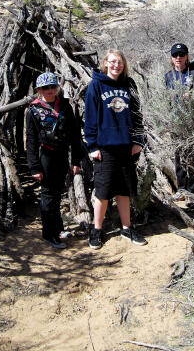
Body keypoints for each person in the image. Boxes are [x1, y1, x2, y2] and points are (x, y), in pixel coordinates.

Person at [84, 49, 148, 250]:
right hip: (105, 147)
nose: (116, 65)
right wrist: (92, 145)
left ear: (124, 64)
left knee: (124, 189)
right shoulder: (96, 85)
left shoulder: (129, 84)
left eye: (119, 62)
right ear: (105, 63)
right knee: (103, 191)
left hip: (126, 146)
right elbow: (90, 117)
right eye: (112, 62)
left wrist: (138, 140)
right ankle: (97, 230)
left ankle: (127, 227)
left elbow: (137, 114)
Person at [26, 72, 81, 249]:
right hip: (46, 157)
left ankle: (57, 229)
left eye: (52, 86)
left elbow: (74, 134)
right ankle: (49, 234)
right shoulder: (33, 110)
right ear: (39, 90)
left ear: (57, 88)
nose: (49, 90)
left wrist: (76, 160)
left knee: (56, 193)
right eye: (45, 88)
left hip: (62, 155)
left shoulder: (64, 105)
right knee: (48, 195)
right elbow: (32, 140)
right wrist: (34, 167)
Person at [165, 42, 194, 196]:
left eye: (181, 54)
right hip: (177, 122)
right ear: (171, 58)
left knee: (193, 157)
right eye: (175, 55)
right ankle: (182, 189)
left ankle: (193, 193)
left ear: (187, 56)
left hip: (193, 122)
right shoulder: (168, 76)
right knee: (179, 157)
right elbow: (165, 99)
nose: (178, 57)